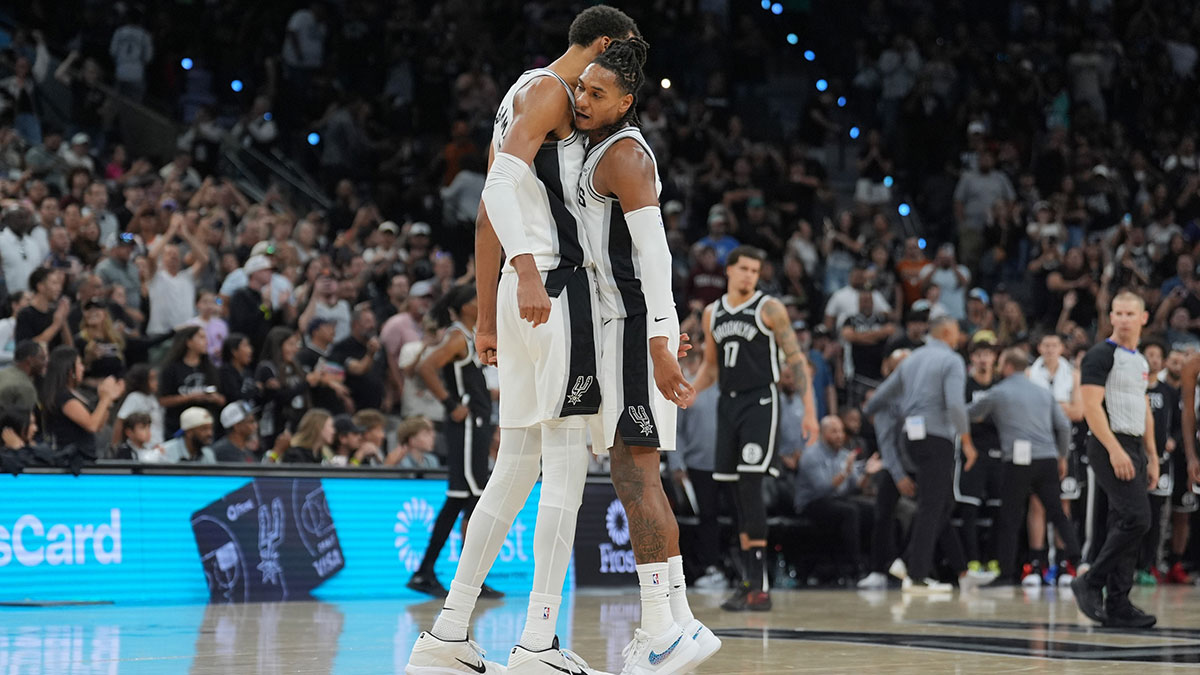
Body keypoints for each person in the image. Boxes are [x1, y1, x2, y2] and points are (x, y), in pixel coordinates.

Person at [409, 8, 637, 675]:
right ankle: (539, 641)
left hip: (518, 290)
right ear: (602, 46)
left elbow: (488, 212)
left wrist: (485, 314)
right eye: (619, 60)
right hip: (549, 288)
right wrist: (532, 273)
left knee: (514, 469)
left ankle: (448, 633)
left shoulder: (518, 92)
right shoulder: (550, 93)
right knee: (564, 465)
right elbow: (500, 186)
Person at [573, 39, 719, 669]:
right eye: (580, 88)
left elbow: (656, 258)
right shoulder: (599, 147)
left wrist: (661, 342)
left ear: (626, 102)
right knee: (633, 476)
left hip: (633, 329)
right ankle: (679, 621)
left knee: (637, 477)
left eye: (596, 93)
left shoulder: (626, 156)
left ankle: (661, 626)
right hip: (618, 326)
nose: (581, 100)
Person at [692, 246, 819, 611]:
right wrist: (688, 392)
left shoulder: (770, 309)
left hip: (761, 401)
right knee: (733, 495)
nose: (749, 275)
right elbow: (711, 369)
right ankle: (748, 581)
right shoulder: (711, 313)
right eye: (744, 268)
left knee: (750, 486)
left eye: (755, 270)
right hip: (727, 403)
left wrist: (810, 412)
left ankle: (759, 585)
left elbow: (797, 362)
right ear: (729, 270)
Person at [864, 316, 976, 593]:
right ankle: (916, 575)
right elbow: (955, 405)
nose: (959, 338)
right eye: (957, 333)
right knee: (932, 506)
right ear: (948, 332)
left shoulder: (912, 360)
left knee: (942, 503)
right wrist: (967, 441)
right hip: (936, 436)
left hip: (911, 438)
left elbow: (878, 398)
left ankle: (907, 561)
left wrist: (870, 414)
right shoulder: (951, 360)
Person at [407, 285, 504, 600]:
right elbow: (426, 367)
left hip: (476, 428)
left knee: (466, 501)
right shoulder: (457, 338)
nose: (481, 302)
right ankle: (441, 575)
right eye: (476, 299)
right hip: (465, 430)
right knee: (468, 501)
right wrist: (451, 405)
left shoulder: (469, 336)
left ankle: (451, 577)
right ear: (464, 307)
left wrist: (488, 397)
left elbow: (472, 385)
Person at [1072, 292, 1158, 628]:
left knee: (1124, 522)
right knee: (1138, 518)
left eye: (1129, 313)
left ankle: (1119, 603)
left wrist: (1152, 455)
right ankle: (1091, 580)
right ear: (1110, 316)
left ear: (1143, 318)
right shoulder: (1098, 355)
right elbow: (1091, 407)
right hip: (1110, 442)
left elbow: (1144, 408)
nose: (1123, 319)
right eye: (1118, 313)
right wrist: (1115, 449)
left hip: (1134, 443)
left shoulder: (1139, 361)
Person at [967, 347, 1080, 586]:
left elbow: (971, 414)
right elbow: (1064, 426)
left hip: (1018, 463)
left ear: (1007, 366)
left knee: (1010, 516)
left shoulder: (998, 392)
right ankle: (1079, 563)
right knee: (1058, 513)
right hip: (1047, 459)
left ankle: (1007, 573)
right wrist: (1061, 456)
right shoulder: (1043, 392)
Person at [793, 416, 873, 582]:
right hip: (812, 503)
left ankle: (874, 566)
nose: (839, 435)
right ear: (823, 434)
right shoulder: (811, 455)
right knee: (849, 512)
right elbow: (823, 488)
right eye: (834, 431)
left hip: (837, 500)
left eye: (841, 431)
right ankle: (856, 568)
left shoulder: (844, 454)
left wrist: (868, 473)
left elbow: (856, 486)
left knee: (871, 509)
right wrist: (845, 472)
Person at [955, 336, 1003, 580]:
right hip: (971, 453)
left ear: (994, 358)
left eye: (987, 354)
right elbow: (959, 416)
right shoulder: (964, 385)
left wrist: (979, 416)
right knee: (969, 509)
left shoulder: (1000, 385)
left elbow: (1002, 418)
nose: (983, 359)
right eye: (978, 355)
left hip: (998, 453)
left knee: (998, 510)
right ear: (971, 358)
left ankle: (993, 560)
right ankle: (972, 561)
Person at [39, 345, 124, 459]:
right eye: (79, 364)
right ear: (70, 370)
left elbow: (99, 426)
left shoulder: (76, 393)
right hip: (71, 458)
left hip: (87, 455)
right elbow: (91, 425)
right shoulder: (63, 397)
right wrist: (105, 398)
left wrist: (109, 400)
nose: (83, 368)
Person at [158, 326, 224, 437]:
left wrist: (215, 398)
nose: (206, 342)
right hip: (178, 427)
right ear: (188, 342)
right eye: (201, 337)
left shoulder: (210, 368)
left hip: (206, 427)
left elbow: (222, 399)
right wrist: (190, 397)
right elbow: (163, 401)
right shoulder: (171, 369)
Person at [255, 326, 311, 448]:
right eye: (290, 344)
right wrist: (306, 383)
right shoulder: (267, 368)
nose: (295, 349)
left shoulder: (296, 367)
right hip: (275, 427)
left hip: (297, 424)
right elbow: (281, 397)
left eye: (296, 344)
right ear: (278, 346)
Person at [329, 307, 385, 412]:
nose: (372, 326)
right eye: (367, 322)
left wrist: (388, 396)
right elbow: (359, 369)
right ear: (355, 324)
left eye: (373, 321)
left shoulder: (378, 345)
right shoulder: (342, 348)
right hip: (355, 407)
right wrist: (370, 354)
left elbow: (385, 372)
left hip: (377, 406)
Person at [16, 267, 71, 350]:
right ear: (40, 286)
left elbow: (69, 348)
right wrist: (56, 325)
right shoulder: (25, 314)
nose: (59, 288)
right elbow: (27, 349)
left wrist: (63, 320)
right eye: (54, 283)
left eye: (60, 284)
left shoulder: (55, 313)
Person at [113, 363, 164, 447]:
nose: (156, 382)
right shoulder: (134, 397)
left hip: (156, 445)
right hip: (141, 447)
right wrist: (115, 445)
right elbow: (121, 421)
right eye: (152, 379)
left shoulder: (152, 398)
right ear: (143, 381)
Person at [0, 340, 46, 413]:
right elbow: (26, 420)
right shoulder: (25, 387)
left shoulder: (3, 373)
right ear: (30, 360)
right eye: (42, 358)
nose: (45, 363)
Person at [217, 333, 258, 407]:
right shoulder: (225, 372)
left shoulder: (248, 372)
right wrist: (256, 389)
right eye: (245, 346)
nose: (250, 350)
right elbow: (234, 398)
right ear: (234, 352)